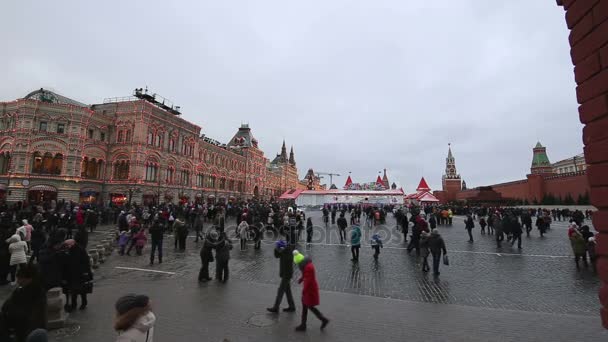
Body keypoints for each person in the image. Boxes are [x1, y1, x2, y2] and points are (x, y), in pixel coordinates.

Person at [0, 264, 47, 342]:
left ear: (29, 279)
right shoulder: (21, 291)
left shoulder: (35, 294)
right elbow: (6, 307)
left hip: (26, 331)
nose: (18, 281)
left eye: (20, 279)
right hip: (19, 329)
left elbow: (33, 318)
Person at [293, 250, 329, 332]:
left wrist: (304, 291)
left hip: (310, 291)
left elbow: (308, 281)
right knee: (306, 306)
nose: (298, 266)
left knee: (309, 306)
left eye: (298, 264)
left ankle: (323, 319)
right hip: (309, 290)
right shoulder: (307, 265)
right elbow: (305, 275)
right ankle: (303, 324)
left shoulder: (308, 268)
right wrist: (301, 279)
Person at [62, 238, 93, 312]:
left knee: (82, 289)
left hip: (80, 273)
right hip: (72, 273)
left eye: (67, 245)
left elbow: (86, 262)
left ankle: (84, 303)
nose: (66, 246)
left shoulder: (80, 250)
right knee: (73, 290)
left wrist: (86, 272)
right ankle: (73, 304)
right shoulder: (69, 250)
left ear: (72, 243)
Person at [267, 241, 296, 313]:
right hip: (285, 274)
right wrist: (276, 249)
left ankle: (276, 307)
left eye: (278, 248)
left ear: (282, 247)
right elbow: (277, 256)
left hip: (287, 274)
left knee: (280, 291)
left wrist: (282, 251)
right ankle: (292, 306)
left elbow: (284, 257)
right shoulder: (284, 251)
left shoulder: (288, 252)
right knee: (288, 291)